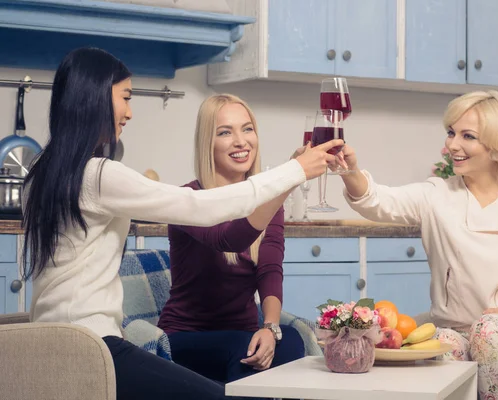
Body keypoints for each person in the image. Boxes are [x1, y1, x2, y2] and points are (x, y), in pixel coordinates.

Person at [21, 47, 342, 400]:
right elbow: (199, 207)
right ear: (94, 97)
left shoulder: (41, 175)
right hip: (91, 348)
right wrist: (293, 172)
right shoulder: (98, 175)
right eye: (125, 98)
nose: (129, 112)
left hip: (55, 342)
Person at [336, 90, 498, 399]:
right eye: (451, 132)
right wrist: (349, 171)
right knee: (442, 349)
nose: (452, 145)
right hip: (457, 329)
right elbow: (377, 201)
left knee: (488, 331)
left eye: (468, 136)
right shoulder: (436, 195)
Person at [158, 94, 304, 385]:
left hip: (243, 333)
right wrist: (286, 183)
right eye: (225, 132)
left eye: (247, 129)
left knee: (293, 341)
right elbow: (229, 239)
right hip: (187, 337)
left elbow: (270, 269)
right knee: (243, 351)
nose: (241, 141)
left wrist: (271, 327)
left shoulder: (268, 203)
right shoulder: (188, 200)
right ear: (207, 144)